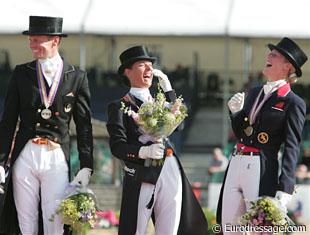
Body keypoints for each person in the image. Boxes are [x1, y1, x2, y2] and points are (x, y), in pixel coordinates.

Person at [0, 15, 93, 235]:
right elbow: (8, 120)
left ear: (55, 41)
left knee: (55, 218)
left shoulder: (76, 77)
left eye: (37, 40)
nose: (32, 46)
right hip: (26, 153)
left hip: (56, 155)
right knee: (26, 220)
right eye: (30, 40)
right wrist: (1, 161)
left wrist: (86, 165)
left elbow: (84, 126)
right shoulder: (22, 73)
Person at [106, 45, 208, 235]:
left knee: (171, 225)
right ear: (127, 71)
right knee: (136, 227)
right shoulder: (119, 106)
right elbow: (117, 147)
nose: (149, 70)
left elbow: (181, 124)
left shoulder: (160, 101)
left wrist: (168, 89)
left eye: (150, 65)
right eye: (142, 65)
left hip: (169, 165)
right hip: (142, 170)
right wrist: (143, 152)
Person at [216, 37, 308, 234]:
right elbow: (243, 132)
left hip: (261, 165)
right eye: (270, 53)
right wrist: (236, 114)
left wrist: (285, 187)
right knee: (228, 227)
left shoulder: (293, 102)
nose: (268, 56)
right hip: (236, 160)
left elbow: (292, 145)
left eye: (274, 55)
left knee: (259, 229)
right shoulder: (254, 91)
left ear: (287, 66)